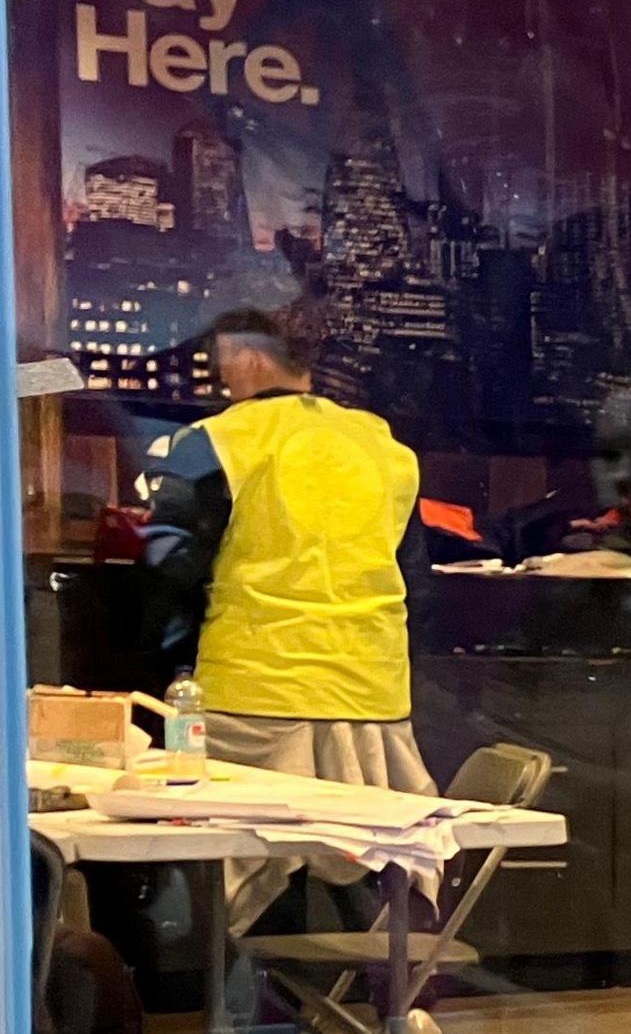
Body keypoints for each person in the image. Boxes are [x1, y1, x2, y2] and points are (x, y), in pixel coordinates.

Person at [140, 307, 437, 925]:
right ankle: (377, 983)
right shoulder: (383, 447)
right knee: (369, 862)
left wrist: (163, 660)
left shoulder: (214, 441)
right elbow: (415, 582)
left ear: (247, 357)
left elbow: (171, 566)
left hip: (253, 695)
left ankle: (261, 984)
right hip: (371, 699)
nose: (219, 377)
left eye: (220, 361)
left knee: (247, 875)